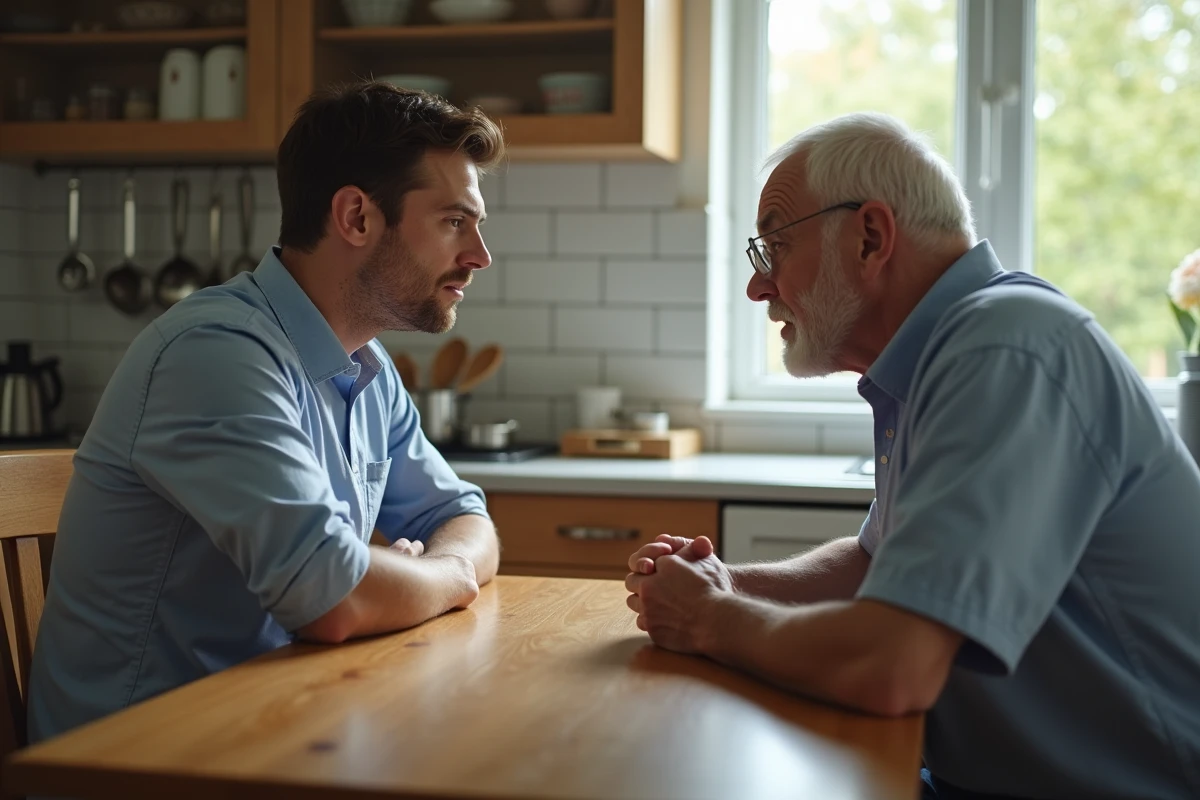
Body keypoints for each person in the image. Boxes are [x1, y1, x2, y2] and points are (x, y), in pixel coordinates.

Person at [624, 112, 1200, 799]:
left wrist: (710, 618)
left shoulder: (1008, 348)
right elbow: (876, 563)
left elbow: (893, 667)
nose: (760, 286)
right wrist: (729, 582)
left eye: (774, 249)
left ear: (870, 237)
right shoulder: (948, 354)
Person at [28, 81, 504, 743]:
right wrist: (445, 575)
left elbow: (461, 517)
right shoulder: (215, 355)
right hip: (139, 758)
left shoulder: (366, 366)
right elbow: (332, 599)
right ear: (357, 218)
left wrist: (412, 577)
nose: (480, 254)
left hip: (278, 722)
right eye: (455, 221)